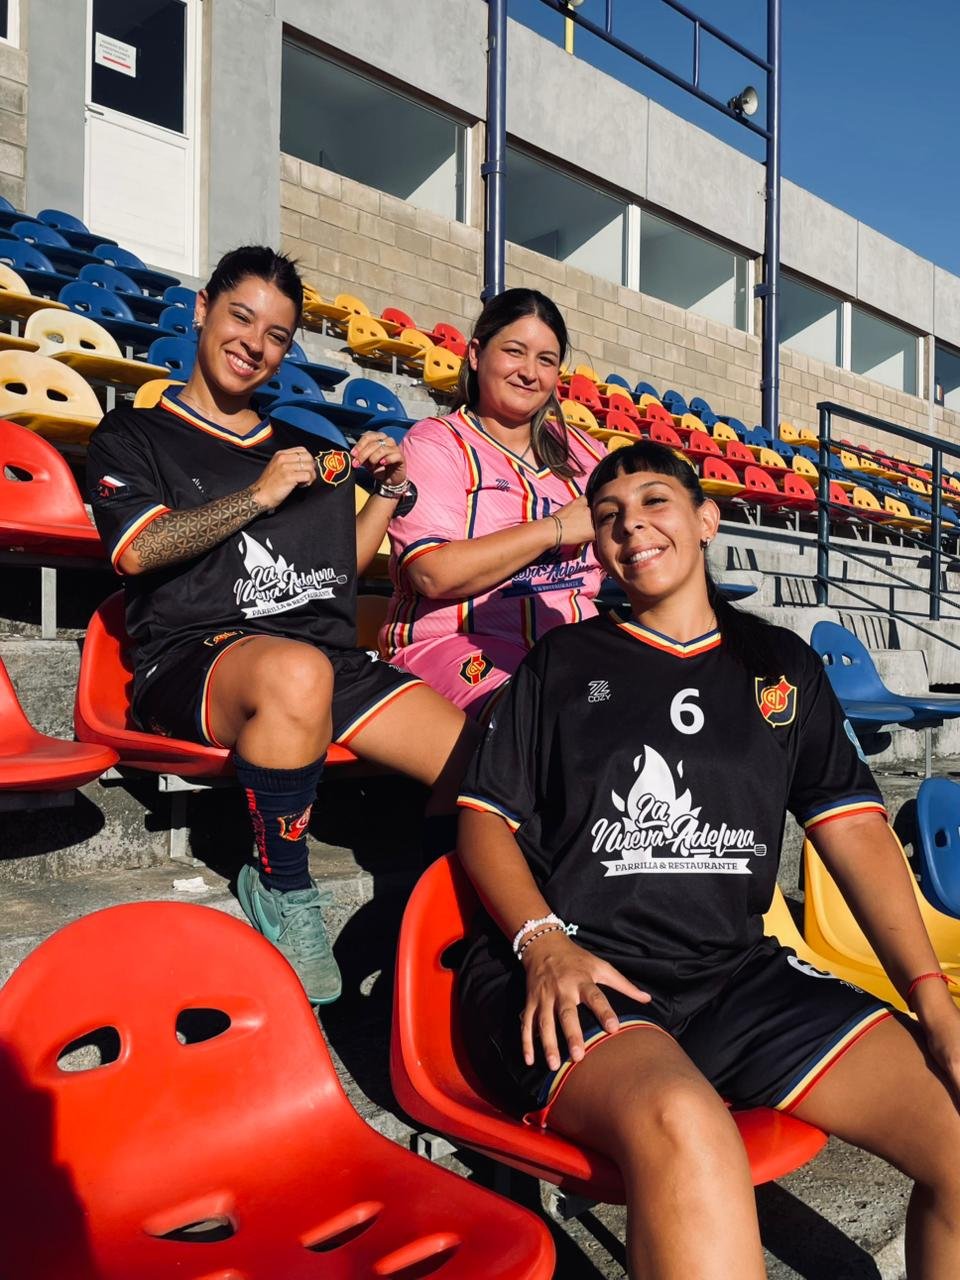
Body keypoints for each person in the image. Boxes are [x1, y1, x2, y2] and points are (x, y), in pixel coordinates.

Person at [456, 439, 960, 1278]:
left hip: (733, 976)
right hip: (584, 975)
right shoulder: (565, 663)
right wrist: (542, 944)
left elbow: (855, 832)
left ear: (706, 519)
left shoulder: (780, 666)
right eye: (609, 516)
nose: (631, 526)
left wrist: (932, 1001)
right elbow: (482, 821)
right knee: (691, 1127)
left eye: (655, 501)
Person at [87, 246, 477, 1006]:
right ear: (203, 309)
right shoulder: (132, 434)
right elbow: (137, 551)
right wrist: (258, 497)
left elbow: (333, 571)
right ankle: (282, 883)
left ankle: (457, 911)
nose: (254, 344)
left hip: (316, 657)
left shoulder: (307, 454)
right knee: (299, 673)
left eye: (275, 335)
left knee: (476, 755)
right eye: (241, 318)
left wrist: (386, 494)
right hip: (193, 658)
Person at [381, 288, 607, 719]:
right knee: (538, 715)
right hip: (452, 646)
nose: (529, 372)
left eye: (546, 360)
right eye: (514, 352)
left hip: (571, 646)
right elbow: (433, 573)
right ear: (475, 354)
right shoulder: (437, 442)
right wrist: (555, 529)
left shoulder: (587, 454)